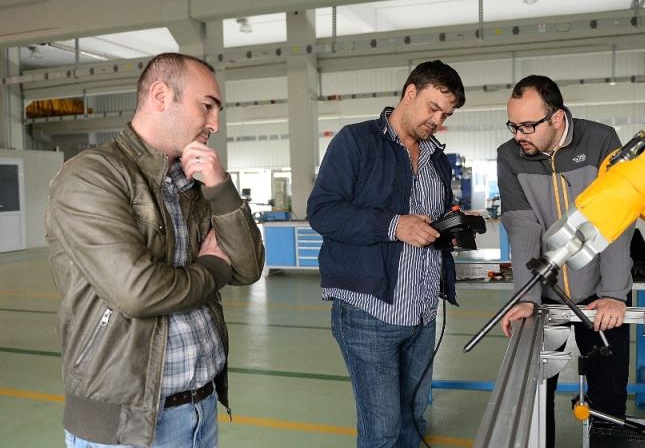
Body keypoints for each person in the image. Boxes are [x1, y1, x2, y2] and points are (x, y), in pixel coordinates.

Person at [45, 52, 265, 447]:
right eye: (207, 106)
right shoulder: (91, 175)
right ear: (161, 96)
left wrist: (220, 188)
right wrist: (213, 267)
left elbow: (248, 268)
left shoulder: (193, 183)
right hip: (127, 427)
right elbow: (139, 291)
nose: (215, 123)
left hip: (201, 408)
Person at [307, 60, 465, 448]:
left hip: (423, 313)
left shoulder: (436, 158)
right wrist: (395, 225)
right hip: (369, 312)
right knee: (382, 432)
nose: (438, 121)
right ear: (410, 93)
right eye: (433, 108)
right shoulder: (355, 141)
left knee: (413, 420)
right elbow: (323, 211)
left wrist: (449, 228)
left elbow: (426, 220)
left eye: (446, 115)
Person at [497, 75, 633, 448]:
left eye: (527, 126)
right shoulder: (509, 156)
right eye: (513, 125)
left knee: (607, 399)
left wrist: (614, 293)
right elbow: (522, 227)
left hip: (600, 295)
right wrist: (526, 298)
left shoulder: (601, 140)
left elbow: (617, 219)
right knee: (536, 399)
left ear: (556, 118)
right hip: (546, 295)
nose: (518, 135)